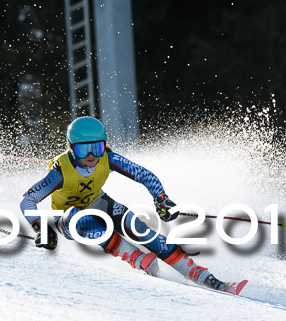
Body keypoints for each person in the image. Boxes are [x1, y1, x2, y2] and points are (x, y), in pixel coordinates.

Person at [19, 116, 247, 295]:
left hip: (98, 203)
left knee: (137, 227)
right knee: (80, 217)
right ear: (71, 149)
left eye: (96, 148)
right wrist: (42, 229)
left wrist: (161, 199)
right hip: (66, 220)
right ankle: (136, 258)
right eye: (82, 150)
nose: (91, 156)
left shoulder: (108, 158)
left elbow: (144, 175)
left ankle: (200, 275)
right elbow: (27, 200)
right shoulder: (59, 171)